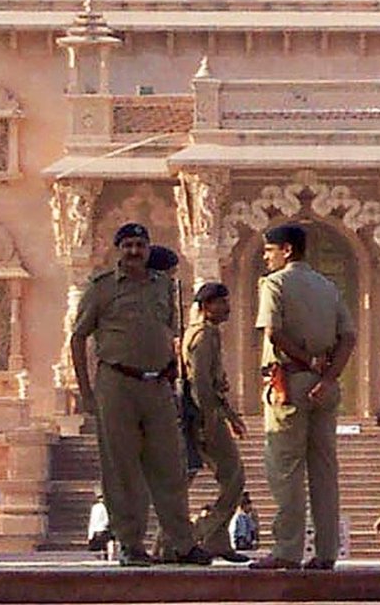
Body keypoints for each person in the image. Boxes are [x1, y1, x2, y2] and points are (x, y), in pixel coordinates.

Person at [69, 221, 212, 566]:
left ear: (148, 250)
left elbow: (169, 331)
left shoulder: (163, 286)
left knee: (171, 466)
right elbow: (78, 337)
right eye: (128, 245)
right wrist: (85, 390)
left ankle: (181, 543)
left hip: (158, 384)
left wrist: (174, 371)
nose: (134, 252)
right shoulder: (102, 288)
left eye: (140, 246)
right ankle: (131, 544)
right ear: (119, 250)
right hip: (117, 382)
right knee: (122, 468)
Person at [250, 223, 356, 570]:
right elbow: (348, 338)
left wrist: (307, 361)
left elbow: (273, 332)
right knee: (324, 469)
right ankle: (326, 551)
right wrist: (328, 377)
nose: (266, 257)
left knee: (286, 468)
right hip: (324, 386)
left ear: (287, 250)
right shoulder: (328, 286)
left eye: (270, 251)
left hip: (290, 382)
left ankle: (288, 549)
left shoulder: (275, 283)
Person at [183, 281, 250, 562]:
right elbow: (200, 383)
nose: (227, 307)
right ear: (206, 306)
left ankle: (216, 540)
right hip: (204, 415)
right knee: (234, 477)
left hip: (211, 412)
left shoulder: (207, 334)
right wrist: (209, 421)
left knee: (227, 478)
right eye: (221, 302)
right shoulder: (203, 336)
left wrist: (231, 416)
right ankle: (196, 533)